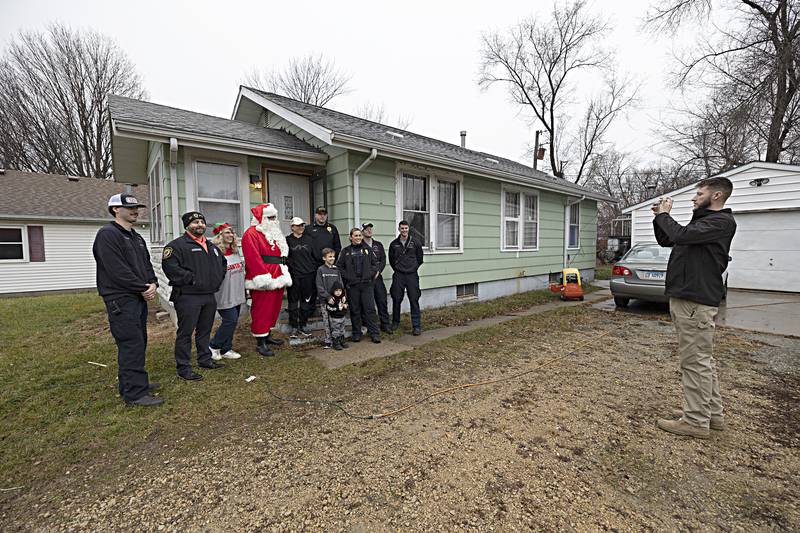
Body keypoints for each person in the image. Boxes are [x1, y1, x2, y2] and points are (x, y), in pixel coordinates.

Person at [652, 177, 737, 439]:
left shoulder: (720, 222)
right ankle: (712, 416)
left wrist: (667, 216)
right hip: (690, 298)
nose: (693, 197)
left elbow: (680, 235)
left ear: (717, 195)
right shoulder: (703, 223)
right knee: (702, 361)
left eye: (699, 193)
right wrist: (659, 218)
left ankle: (695, 421)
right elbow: (669, 240)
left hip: (695, 300)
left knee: (694, 362)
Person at [92, 193, 162, 407]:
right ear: (115, 210)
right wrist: (142, 288)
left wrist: (152, 283)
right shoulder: (108, 235)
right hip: (121, 299)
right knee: (130, 343)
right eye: (129, 208)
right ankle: (135, 394)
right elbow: (116, 270)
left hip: (138, 296)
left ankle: (133, 383)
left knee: (139, 341)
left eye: (136, 208)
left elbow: (146, 264)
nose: (135, 211)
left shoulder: (136, 237)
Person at [162, 211, 227, 381]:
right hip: (188, 296)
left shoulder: (211, 246)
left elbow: (223, 265)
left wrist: (216, 281)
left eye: (202, 222)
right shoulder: (176, 246)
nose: (199, 225)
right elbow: (171, 268)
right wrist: (194, 280)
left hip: (208, 296)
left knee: (204, 331)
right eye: (195, 222)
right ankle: (183, 367)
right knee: (185, 333)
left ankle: (204, 359)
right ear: (187, 226)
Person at [241, 203, 291, 356]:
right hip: (264, 276)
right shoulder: (251, 234)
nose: (274, 220)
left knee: (274, 307)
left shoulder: (274, 232)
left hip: (278, 274)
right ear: (260, 218)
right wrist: (263, 277)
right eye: (270, 217)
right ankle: (260, 342)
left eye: (274, 217)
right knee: (262, 309)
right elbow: (253, 258)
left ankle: (267, 335)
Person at [208, 222, 246, 361]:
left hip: (236, 293)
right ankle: (213, 345)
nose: (231, 235)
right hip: (223, 294)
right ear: (220, 236)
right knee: (230, 320)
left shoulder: (235, 251)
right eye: (227, 232)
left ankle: (226, 348)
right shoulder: (215, 253)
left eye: (232, 232)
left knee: (233, 321)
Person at [337, 228, 381, 343]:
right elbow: (340, 267)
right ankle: (357, 333)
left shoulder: (368, 250)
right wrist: (348, 277)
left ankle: (374, 333)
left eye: (359, 236)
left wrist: (369, 275)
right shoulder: (345, 251)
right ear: (350, 237)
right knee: (355, 310)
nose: (358, 238)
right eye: (355, 236)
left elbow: (375, 264)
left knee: (370, 310)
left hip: (367, 285)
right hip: (353, 286)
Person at [388, 220, 424, 335]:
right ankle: (395, 322)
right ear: (399, 229)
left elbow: (420, 259)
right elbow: (391, 260)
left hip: (412, 275)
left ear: (409, 229)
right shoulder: (394, 244)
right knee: (396, 298)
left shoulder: (416, 242)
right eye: (402, 228)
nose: (404, 230)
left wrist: (413, 268)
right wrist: (398, 269)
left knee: (414, 299)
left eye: (406, 228)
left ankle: (416, 326)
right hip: (399, 275)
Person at [285, 216, 318, 338]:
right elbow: (284, 257)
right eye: (298, 225)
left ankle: (303, 324)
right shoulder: (287, 240)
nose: (301, 228)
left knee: (306, 301)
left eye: (302, 225)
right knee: (293, 302)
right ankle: (294, 326)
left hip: (308, 275)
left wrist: (312, 269)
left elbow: (315, 256)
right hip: (294, 276)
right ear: (292, 227)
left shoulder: (310, 239)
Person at [361, 222, 392, 334]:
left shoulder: (378, 245)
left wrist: (379, 271)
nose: (369, 230)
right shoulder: (360, 245)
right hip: (366, 280)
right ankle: (368, 325)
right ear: (362, 232)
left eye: (370, 229)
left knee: (382, 301)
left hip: (377, 278)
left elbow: (383, 259)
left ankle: (385, 324)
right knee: (367, 304)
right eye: (366, 229)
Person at [316, 247, 344, 349]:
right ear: (324, 258)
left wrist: (342, 296)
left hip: (337, 301)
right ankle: (329, 340)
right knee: (327, 321)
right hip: (326, 301)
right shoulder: (321, 270)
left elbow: (340, 284)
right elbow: (319, 286)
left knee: (337, 321)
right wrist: (327, 296)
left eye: (333, 256)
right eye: (330, 256)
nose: (332, 258)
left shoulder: (336, 270)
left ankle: (338, 339)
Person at [324, 281, 349, 351]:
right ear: (333, 291)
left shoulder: (343, 298)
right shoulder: (332, 300)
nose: (338, 292)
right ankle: (336, 342)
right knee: (336, 331)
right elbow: (329, 308)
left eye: (340, 290)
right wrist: (337, 308)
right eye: (336, 290)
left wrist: (345, 305)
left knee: (342, 330)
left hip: (342, 317)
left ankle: (342, 341)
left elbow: (346, 304)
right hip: (335, 318)